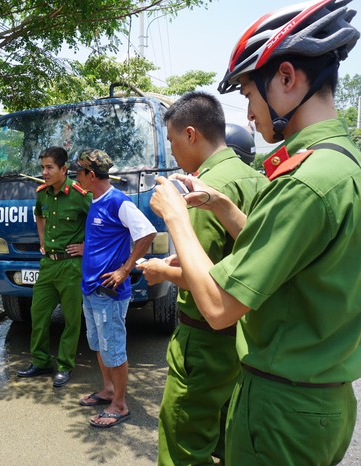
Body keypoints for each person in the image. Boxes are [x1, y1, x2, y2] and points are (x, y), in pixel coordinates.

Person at [148, 1, 360, 463]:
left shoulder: (305, 181)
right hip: (320, 399)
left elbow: (221, 307)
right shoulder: (341, 164)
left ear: (286, 78)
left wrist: (176, 219)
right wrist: (224, 206)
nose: (247, 111)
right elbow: (290, 257)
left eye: (248, 92)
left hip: (280, 408)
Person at [137, 92, 267, 464]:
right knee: (228, 437)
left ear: (191, 134)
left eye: (173, 142)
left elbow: (207, 279)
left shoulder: (201, 190)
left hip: (206, 339)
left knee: (184, 443)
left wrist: (162, 271)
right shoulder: (254, 178)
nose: (173, 153)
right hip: (245, 337)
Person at [73, 149, 156, 428]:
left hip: (109, 293)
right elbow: (105, 237)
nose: (76, 176)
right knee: (99, 344)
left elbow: (147, 233)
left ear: (91, 175)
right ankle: (108, 390)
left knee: (114, 349)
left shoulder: (118, 202)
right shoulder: (96, 200)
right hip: (92, 290)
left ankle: (119, 405)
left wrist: (125, 269)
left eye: (80, 172)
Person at [16, 146, 90, 388]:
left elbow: (101, 222)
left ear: (63, 169)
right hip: (48, 265)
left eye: (49, 167)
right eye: (42, 167)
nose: (44, 172)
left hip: (71, 266)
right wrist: (42, 241)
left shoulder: (80, 194)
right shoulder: (42, 193)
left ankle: (65, 365)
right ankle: (41, 361)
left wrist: (86, 246)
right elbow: (39, 215)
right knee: (38, 313)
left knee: (71, 319)